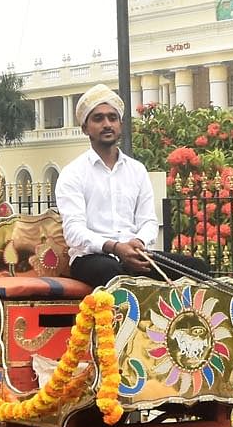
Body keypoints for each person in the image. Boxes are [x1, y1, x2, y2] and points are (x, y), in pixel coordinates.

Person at [55, 84, 207, 285]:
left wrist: (139, 242)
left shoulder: (136, 170)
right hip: (91, 258)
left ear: (120, 124)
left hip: (136, 253)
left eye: (112, 117)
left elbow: (148, 221)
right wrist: (115, 247)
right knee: (112, 270)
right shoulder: (72, 173)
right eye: (98, 118)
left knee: (197, 268)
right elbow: (74, 231)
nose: (107, 124)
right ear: (85, 128)